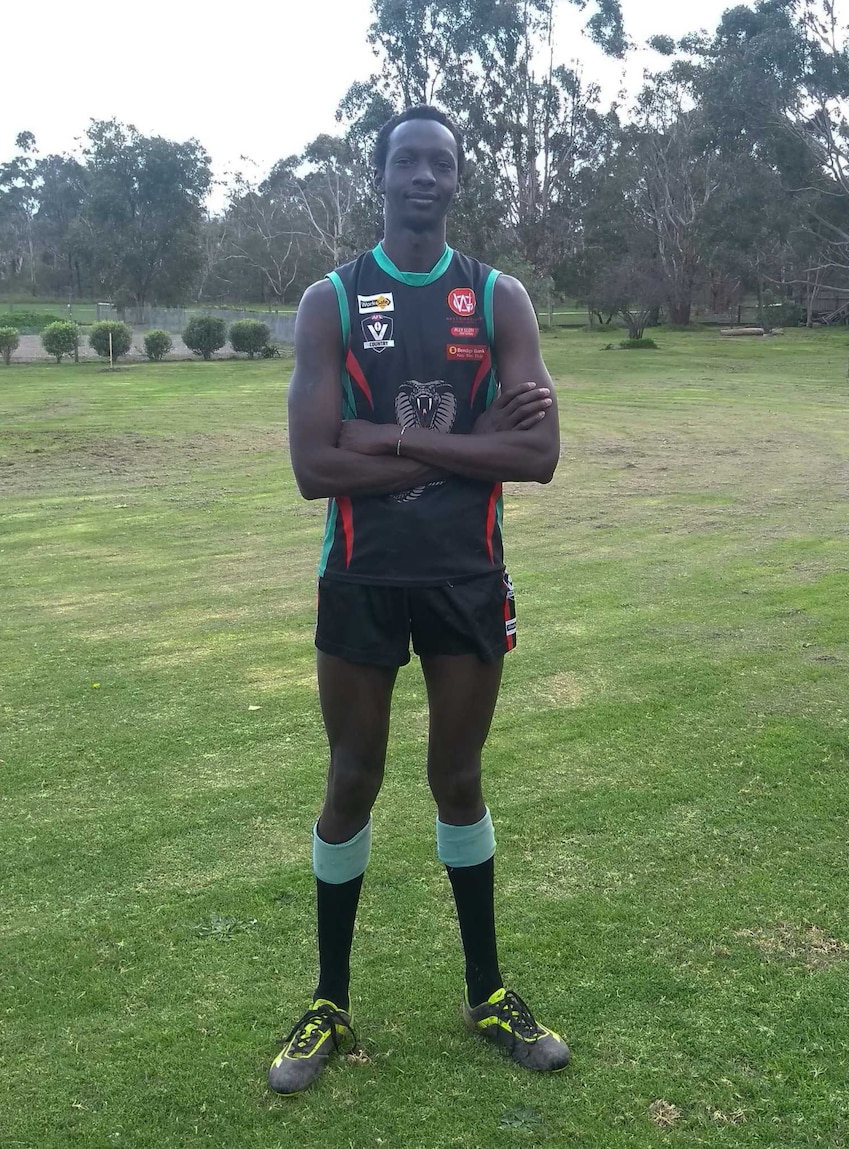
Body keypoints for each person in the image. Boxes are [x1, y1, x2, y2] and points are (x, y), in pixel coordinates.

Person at [270, 105, 565, 1096]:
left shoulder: (498, 299)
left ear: (456, 182)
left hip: (463, 578)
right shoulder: (333, 301)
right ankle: (327, 1001)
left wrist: (383, 439)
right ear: (381, 175)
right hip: (358, 576)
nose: (426, 177)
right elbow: (314, 467)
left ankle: (487, 992)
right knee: (351, 777)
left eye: (443, 163)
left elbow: (537, 456)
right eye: (410, 162)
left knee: (458, 780)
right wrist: (467, 440)